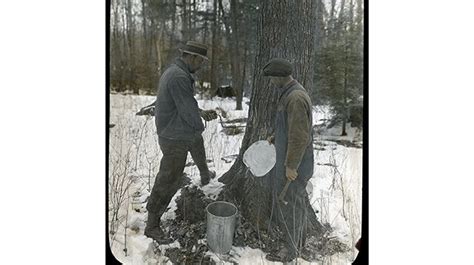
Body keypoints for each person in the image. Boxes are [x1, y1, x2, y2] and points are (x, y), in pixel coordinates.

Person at [144, 41, 218, 244]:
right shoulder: (178, 76)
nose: (201, 65)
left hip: (176, 129)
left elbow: (186, 104)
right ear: (192, 57)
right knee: (169, 178)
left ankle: (204, 174)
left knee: (196, 139)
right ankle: (152, 225)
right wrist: (199, 122)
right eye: (201, 61)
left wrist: (200, 113)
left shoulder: (178, 72)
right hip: (173, 136)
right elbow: (186, 110)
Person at [263, 58, 315, 262]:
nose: (270, 83)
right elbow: (291, 128)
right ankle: (297, 244)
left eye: (271, 79)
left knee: (289, 205)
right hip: (293, 161)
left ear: (278, 77)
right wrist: (276, 137)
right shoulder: (290, 94)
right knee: (295, 204)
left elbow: (300, 136)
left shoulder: (295, 98)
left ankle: (290, 251)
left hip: (296, 164)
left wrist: (291, 166)